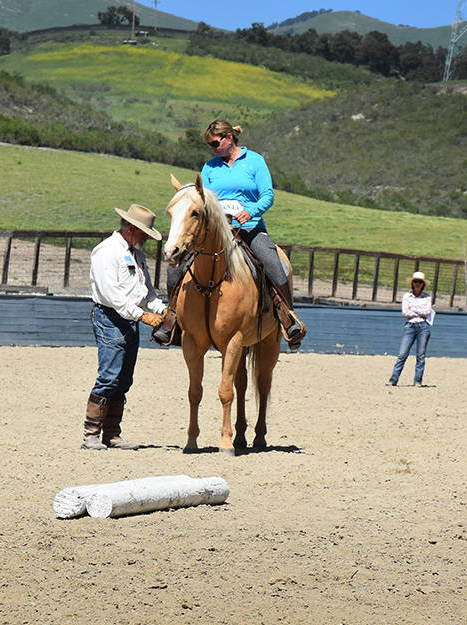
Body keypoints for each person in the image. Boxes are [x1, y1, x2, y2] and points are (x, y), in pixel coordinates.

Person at [153, 119, 306, 349]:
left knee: (272, 261)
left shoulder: (255, 161)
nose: (212, 149)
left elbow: (268, 195)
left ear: (229, 138)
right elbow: (201, 199)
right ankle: (172, 320)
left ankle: (288, 317)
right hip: (216, 231)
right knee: (175, 267)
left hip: (249, 227)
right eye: (210, 145)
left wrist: (251, 211)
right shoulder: (209, 167)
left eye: (215, 143)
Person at [83, 204, 167, 451]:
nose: (145, 239)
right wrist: (143, 315)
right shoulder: (107, 251)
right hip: (110, 318)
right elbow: (112, 295)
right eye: (143, 233)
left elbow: (147, 293)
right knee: (109, 376)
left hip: (129, 319)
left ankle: (111, 434)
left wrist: (162, 310)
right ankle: (91, 434)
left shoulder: (136, 255)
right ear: (131, 228)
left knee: (123, 379)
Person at [387, 271, 434, 387]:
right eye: (416, 281)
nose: (417, 284)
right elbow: (405, 312)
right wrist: (419, 311)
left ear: (423, 284)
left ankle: (418, 380)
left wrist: (413, 309)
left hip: (423, 326)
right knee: (402, 354)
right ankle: (393, 379)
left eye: (420, 282)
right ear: (412, 283)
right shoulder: (406, 296)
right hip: (410, 326)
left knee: (421, 356)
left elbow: (427, 312)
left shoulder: (427, 297)